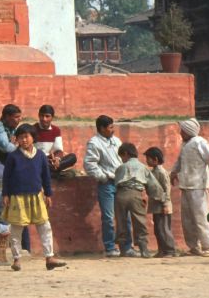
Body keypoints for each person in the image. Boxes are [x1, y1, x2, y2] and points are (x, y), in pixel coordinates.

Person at [1, 124, 66, 272]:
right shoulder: (13, 157)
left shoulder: (41, 156)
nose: (24, 140)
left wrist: (48, 194)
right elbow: (6, 178)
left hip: (36, 196)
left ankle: (49, 257)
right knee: (16, 229)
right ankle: (17, 259)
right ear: (16, 139)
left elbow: (45, 177)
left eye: (26, 137)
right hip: (17, 197)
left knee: (44, 226)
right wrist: (5, 194)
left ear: (33, 138)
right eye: (20, 137)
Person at [171, 118, 209, 257]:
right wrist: (173, 172)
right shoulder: (185, 144)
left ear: (188, 131)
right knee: (187, 219)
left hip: (198, 186)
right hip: (186, 185)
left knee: (201, 217)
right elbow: (180, 161)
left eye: (182, 130)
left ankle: (208, 246)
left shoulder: (200, 143)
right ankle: (193, 247)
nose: (180, 133)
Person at [83, 114, 128, 257]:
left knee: (124, 216)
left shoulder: (116, 141)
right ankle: (110, 247)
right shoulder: (94, 143)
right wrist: (103, 177)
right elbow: (89, 164)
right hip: (107, 184)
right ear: (102, 128)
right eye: (110, 127)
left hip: (121, 183)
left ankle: (126, 247)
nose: (113, 130)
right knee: (108, 217)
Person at [113, 143, 150, 257]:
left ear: (125, 154)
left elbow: (116, 183)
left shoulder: (121, 167)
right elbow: (152, 184)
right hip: (136, 194)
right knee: (140, 222)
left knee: (121, 222)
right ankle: (144, 250)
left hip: (121, 195)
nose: (122, 159)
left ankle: (123, 250)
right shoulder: (143, 167)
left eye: (122, 157)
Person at [143, 146, 177, 258]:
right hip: (156, 206)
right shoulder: (153, 172)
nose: (147, 161)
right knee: (158, 229)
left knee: (164, 229)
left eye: (148, 159)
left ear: (155, 159)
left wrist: (166, 204)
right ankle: (162, 250)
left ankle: (170, 250)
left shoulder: (162, 172)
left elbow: (166, 189)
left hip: (162, 206)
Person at [34, 104, 77, 176]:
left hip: (50, 161)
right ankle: (57, 173)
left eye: (47, 116)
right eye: (42, 116)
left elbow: (59, 150)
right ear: (39, 116)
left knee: (72, 157)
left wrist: (57, 159)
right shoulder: (33, 129)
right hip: (38, 160)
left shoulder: (56, 130)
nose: (44, 119)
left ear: (52, 117)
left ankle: (52, 172)